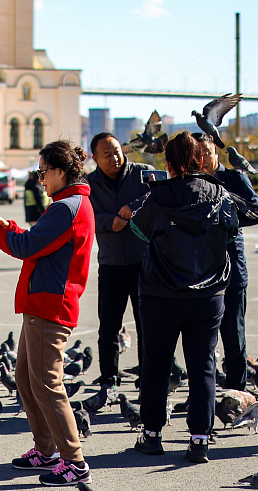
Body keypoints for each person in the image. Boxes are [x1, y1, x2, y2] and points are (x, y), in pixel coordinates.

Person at [129, 132, 255, 463]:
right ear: (200, 159)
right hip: (209, 292)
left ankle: (152, 434)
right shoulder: (220, 194)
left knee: (156, 366)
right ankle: (200, 439)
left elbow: (138, 228)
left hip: (161, 292)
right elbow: (240, 222)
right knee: (203, 367)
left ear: (167, 163)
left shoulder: (157, 197)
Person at [0, 140, 94, 487]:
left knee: (46, 382)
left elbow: (26, 246)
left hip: (50, 305)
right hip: (41, 303)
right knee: (28, 378)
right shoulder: (67, 204)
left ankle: (73, 461)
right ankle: (46, 449)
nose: (40, 179)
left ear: (60, 171)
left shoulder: (66, 207)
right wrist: (6, 225)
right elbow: (36, 240)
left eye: (43, 172)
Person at [193, 132, 258, 391]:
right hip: (201, 273)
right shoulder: (191, 183)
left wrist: (225, 218)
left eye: (206, 153)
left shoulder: (235, 178)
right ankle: (202, 395)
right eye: (196, 155)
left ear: (216, 152)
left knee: (234, 338)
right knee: (202, 342)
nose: (202, 159)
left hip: (232, 271)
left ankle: (237, 393)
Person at [87, 132, 154, 388]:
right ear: (95, 158)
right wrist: (108, 221)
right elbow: (85, 215)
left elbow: (162, 194)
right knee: (108, 328)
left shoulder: (143, 173)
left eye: (117, 151)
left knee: (147, 326)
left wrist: (135, 206)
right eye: (107, 154)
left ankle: (148, 376)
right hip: (111, 265)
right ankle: (109, 378)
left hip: (144, 265)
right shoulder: (89, 184)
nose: (115, 157)